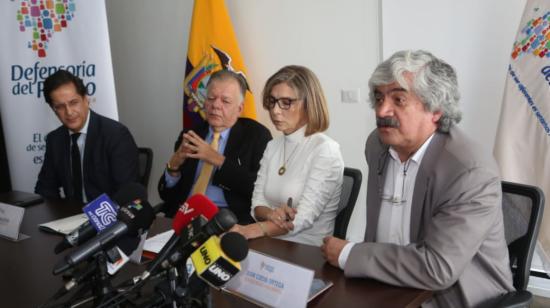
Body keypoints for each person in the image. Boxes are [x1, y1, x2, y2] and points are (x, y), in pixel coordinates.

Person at [321, 50, 514, 307]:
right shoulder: (377, 145)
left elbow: (438, 268)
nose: (382, 110)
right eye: (379, 98)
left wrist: (349, 254)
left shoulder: (469, 170)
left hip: (458, 300)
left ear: (436, 110)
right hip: (387, 287)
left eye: (398, 100)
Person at [231, 65, 344, 247]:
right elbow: (256, 205)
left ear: (309, 104)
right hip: (269, 244)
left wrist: (247, 231)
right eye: (272, 101)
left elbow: (301, 220)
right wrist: (271, 214)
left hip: (307, 253)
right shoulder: (272, 146)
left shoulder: (326, 150)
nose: (275, 111)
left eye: (286, 102)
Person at [158, 70, 272, 224]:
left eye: (225, 101)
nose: (216, 105)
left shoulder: (256, 136)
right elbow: (167, 196)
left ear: (239, 109)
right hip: (185, 215)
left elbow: (258, 189)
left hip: (228, 220)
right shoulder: (192, 133)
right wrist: (174, 166)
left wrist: (216, 159)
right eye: (211, 98)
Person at [35, 70, 139, 203]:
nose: (69, 112)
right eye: (60, 107)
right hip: (70, 218)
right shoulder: (55, 139)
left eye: (73, 103)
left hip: (108, 218)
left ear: (86, 100)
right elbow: (45, 188)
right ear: (53, 109)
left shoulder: (116, 135)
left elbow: (126, 194)